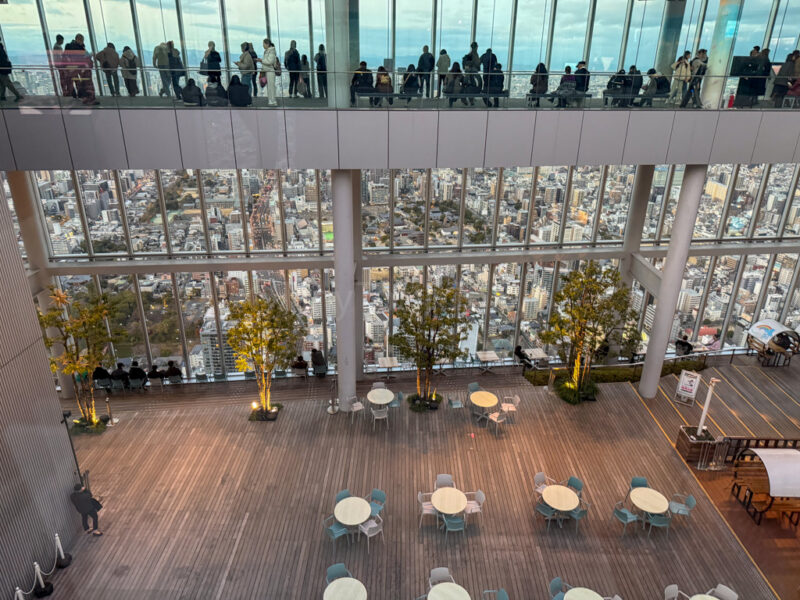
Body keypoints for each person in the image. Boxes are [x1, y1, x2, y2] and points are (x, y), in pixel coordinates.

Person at [65, 34, 99, 105]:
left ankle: (85, 99)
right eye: (82, 40)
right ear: (78, 39)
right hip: (83, 69)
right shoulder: (77, 48)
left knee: (83, 84)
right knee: (88, 84)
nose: (82, 42)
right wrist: (90, 55)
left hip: (78, 69)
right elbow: (81, 58)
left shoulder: (70, 47)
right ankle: (90, 99)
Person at [260, 38, 278, 106]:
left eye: (263, 44)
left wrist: (261, 60)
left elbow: (270, 61)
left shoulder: (271, 51)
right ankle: (271, 100)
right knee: (270, 86)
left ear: (267, 44)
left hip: (270, 70)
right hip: (268, 70)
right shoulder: (269, 51)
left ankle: (272, 100)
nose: (263, 45)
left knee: (271, 86)